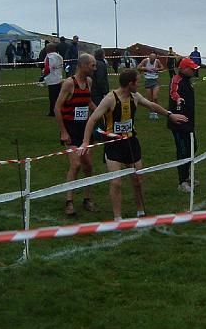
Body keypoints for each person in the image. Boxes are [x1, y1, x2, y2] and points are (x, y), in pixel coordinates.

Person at [80, 69, 188, 220]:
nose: (140, 84)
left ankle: (140, 212)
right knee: (116, 182)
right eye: (137, 81)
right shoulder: (110, 98)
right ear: (130, 83)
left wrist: (170, 115)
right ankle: (118, 217)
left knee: (137, 180)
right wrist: (86, 142)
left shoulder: (135, 96)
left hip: (131, 142)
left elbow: (151, 105)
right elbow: (92, 120)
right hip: (113, 144)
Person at [55, 53, 97, 216]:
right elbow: (57, 108)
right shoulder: (68, 83)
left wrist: (100, 112)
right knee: (76, 165)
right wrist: (64, 132)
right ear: (83, 65)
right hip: (71, 130)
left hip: (85, 130)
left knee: (88, 166)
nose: (95, 68)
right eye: (92, 65)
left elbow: (88, 101)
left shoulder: (89, 82)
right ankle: (69, 201)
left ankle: (87, 199)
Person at [168, 57, 200, 192]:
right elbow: (173, 92)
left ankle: (186, 176)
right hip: (179, 124)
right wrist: (178, 99)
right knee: (182, 151)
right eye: (191, 69)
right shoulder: (177, 80)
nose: (193, 71)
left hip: (188, 123)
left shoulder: (187, 81)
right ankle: (181, 182)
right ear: (184, 68)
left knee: (192, 148)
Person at [137, 52, 164, 119]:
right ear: (149, 57)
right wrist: (147, 69)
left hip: (155, 81)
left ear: (155, 58)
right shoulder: (145, 60)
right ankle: (152, 112)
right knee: (149, 99)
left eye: (153, 59)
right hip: (148, 81)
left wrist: (157, 69)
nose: (152, 60)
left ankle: (157, 111)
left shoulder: (157, 61)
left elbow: (162, 67)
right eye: (151, 59)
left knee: (155, 97)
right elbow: (138, 67)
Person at [42, 43, 64, 116]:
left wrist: (43, 76)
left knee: (52, 97)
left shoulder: (49, 57)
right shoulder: (59, 56)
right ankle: (60, 109)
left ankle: (52, 111)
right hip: (59, 78)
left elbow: (48, 69)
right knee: (58, 96)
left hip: (52, 79)